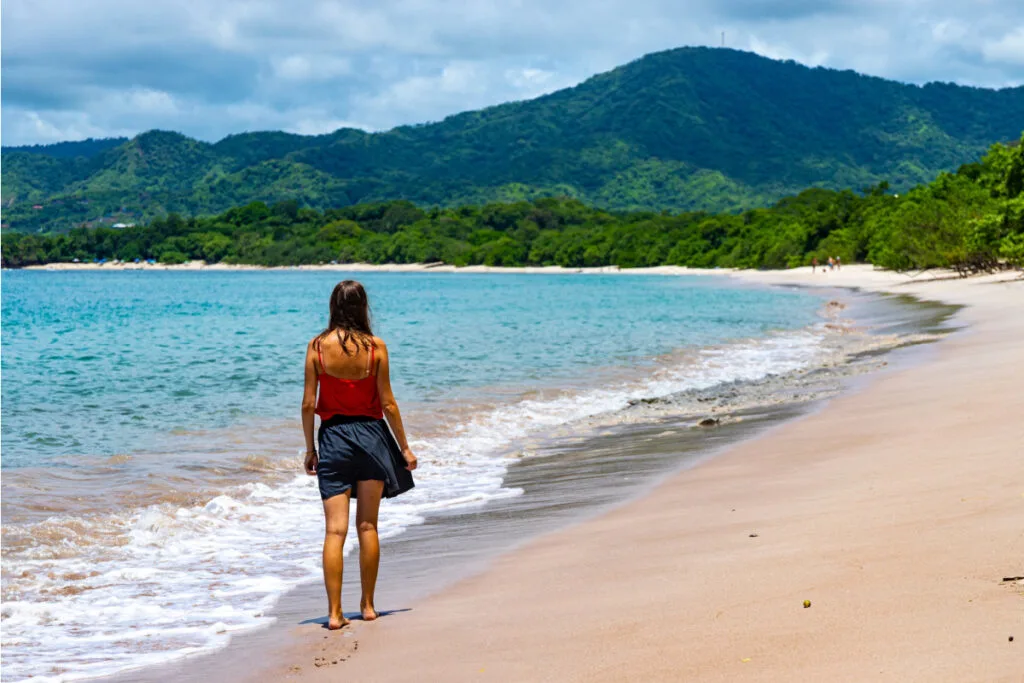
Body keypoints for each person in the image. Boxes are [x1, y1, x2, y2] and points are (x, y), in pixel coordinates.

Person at [301, 280, 416, 629]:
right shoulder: (375, 347)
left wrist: (310, 448)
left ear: (333, 306)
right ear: (363, 306)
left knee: (334, 532)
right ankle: (367, 606)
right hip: (371, 438)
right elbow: (388, 402)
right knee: (368, 526)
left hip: (333, 438)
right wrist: (405, 447)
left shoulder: (317, 347)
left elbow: (308, 403)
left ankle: (334, 614)